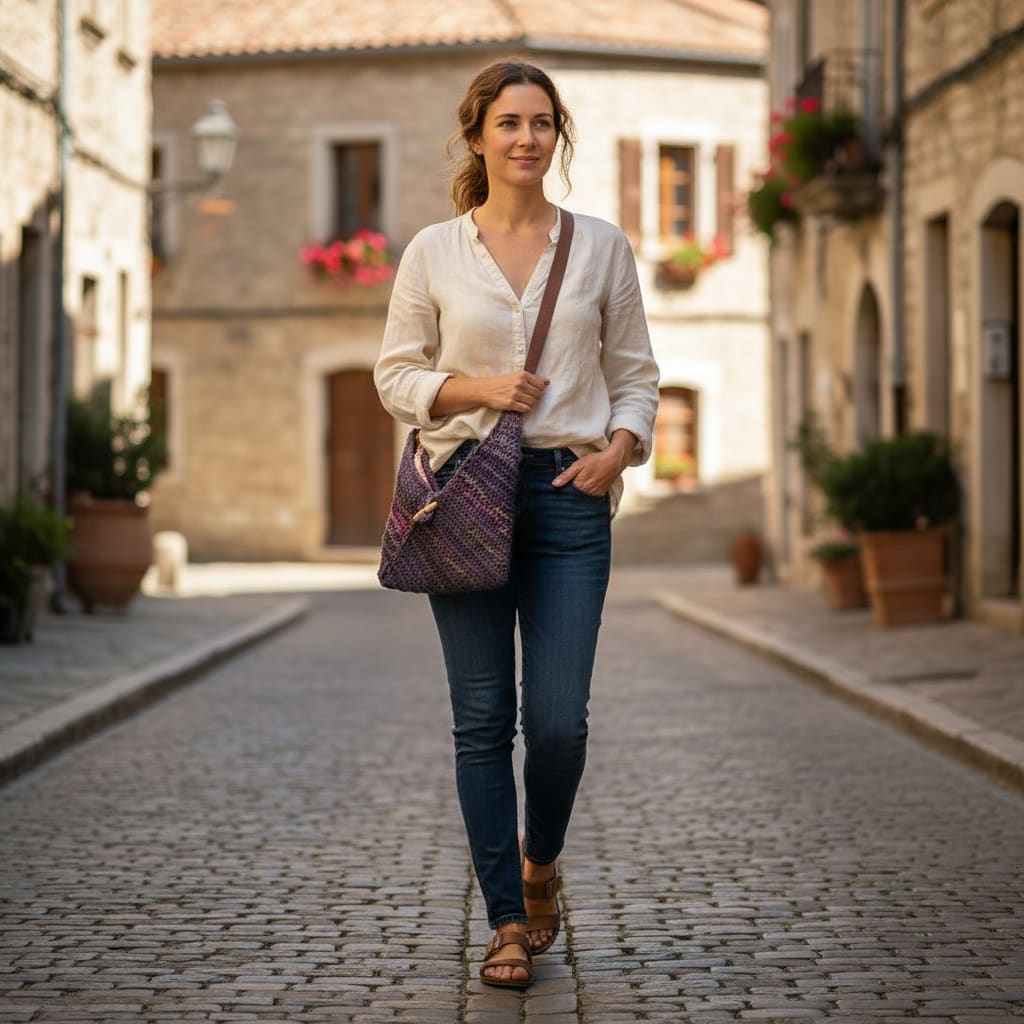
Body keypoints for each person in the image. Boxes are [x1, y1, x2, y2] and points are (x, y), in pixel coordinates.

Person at [374, 59, 659, 989]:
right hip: (461, 491)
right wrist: (475, 388)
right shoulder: (432, 251)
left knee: (559, 724)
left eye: (542, 122)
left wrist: (620, 451)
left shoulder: (602, 248)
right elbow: (395, 375)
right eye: (509, 122)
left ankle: (543, 864)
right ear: (478, 136)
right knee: (481, 721)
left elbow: (637, 375)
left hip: (571, 497)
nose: (527, 138)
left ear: (557, 136)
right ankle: (506, 920)